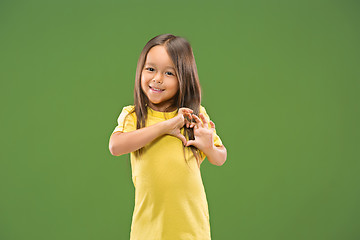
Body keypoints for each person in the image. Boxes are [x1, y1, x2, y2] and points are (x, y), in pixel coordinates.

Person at [108, 33, 227, 240]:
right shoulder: (134, 115)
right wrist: (167, 126)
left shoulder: (194, 115)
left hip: (191, 229)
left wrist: (208, 147)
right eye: (151, 69)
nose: (157, 79)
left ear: (184, 77)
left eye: (169, 73)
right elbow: (116, 146)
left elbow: (220, 158)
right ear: (140, 71)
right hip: (148, 230)